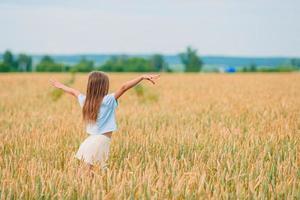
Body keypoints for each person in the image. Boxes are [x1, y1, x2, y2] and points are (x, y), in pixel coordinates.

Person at [49, 71, 160, 174]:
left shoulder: (85, 100)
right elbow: (124, 87)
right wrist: (141, 77)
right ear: (104, 86)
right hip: (101, 141)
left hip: (91, 141)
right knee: (88, 173)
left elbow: (74, 92)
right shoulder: (108, 100)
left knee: (87, 172)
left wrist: (61, 86)